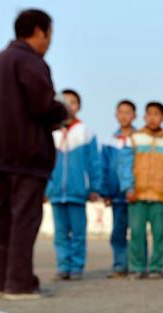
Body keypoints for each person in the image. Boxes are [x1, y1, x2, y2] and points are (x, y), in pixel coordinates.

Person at [0, 9, 68, 300]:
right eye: (49, 34)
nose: (49, 41)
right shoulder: (30, 62)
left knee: (2, 220)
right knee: (24, 220)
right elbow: (43, 106)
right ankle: (18, 284)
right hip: (28, 156)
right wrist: (63, 111)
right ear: (39, 31)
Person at [46, 89, 103, 281]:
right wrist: (46, 188)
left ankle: (77, 267)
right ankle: (63, 266)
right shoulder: (51, 131)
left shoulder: (85, 131)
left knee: (78, 233)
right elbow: (44, 162)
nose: (69, 106)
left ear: (79, 106)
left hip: (78, 192)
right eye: (65, 102)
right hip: (56, 192)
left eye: (73, 102)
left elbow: (94, 162)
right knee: (60, 234)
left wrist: (95, 187)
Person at [122, 102, 163, 279]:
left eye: (156, 114)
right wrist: (129, 187)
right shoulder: (135, 139)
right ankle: (137, 266)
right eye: (149, 114)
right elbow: (126, 166)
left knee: (158, 234)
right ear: (144, 117)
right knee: (136, 233)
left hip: (159, 195)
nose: (152, 118)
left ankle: (156, 267)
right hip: (138, 194)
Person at [101, 99, 136, 279]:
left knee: (137, 232)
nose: (124, 116)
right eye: (121, 112)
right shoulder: (109, 141)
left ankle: (137, 265)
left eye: (128, 112)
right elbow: (104, 167)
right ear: (116, 115)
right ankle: (120, 265)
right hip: (116, 194)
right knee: (118, 231)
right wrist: (105, 191)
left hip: (135, 194)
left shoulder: (139, 138)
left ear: (134, 115)